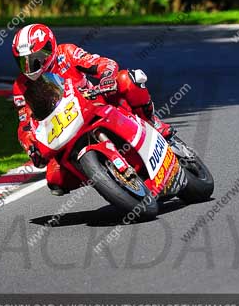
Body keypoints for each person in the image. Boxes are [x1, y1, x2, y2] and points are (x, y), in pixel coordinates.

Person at [11, 23, 174, 194]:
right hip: (62, 131)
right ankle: (105, 177)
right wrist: (30, 146)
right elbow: (24, 123)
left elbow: (102, 63)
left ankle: (152, 122)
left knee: (126, 80)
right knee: (55, 179)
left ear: (49, 49)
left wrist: (106, 77)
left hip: (95, 104)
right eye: (24, 61)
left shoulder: (66, 53)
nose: (30, 66)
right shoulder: (20, 86)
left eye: (36, 58)